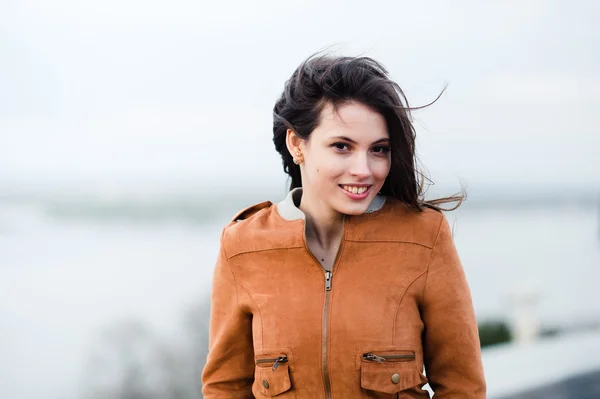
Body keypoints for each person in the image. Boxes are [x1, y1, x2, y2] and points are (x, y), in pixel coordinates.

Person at [201, 53, 486, 398]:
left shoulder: (424, 237)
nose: (364, 170)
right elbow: (225, 388)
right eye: (341, 146)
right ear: (296, 144)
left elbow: (462, 387)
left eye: (378, 149)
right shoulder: (243, 245)